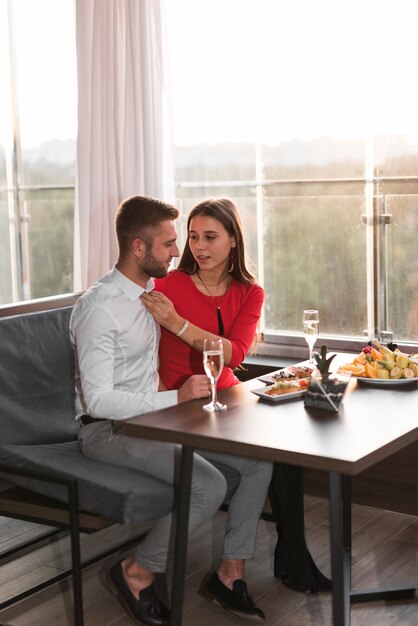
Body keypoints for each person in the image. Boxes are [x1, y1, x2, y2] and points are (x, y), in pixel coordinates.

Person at [70, 195, 273, 626]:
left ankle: (228, 574)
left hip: (156, 421)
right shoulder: (100, 307)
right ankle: (136, 572)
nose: (180, 251)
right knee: (207, 486)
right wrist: (175, 397)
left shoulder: (149, 293)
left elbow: (222, 349)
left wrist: (176, 397)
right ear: (139, 249)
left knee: (257, 462)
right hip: (108, 429)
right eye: (170, 243)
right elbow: (99, 401)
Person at [141, 197, 331, 596]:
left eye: (211, 236)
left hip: (229, 399)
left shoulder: (250, 291)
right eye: (193, 237)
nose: (199, 247)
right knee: (268, 460)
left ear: (233, 240)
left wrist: (176, 323)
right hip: (183, 405)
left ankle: (254, 564)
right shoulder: (164, 285)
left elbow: (235, 353)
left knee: (282, 451)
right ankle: (264, 565)